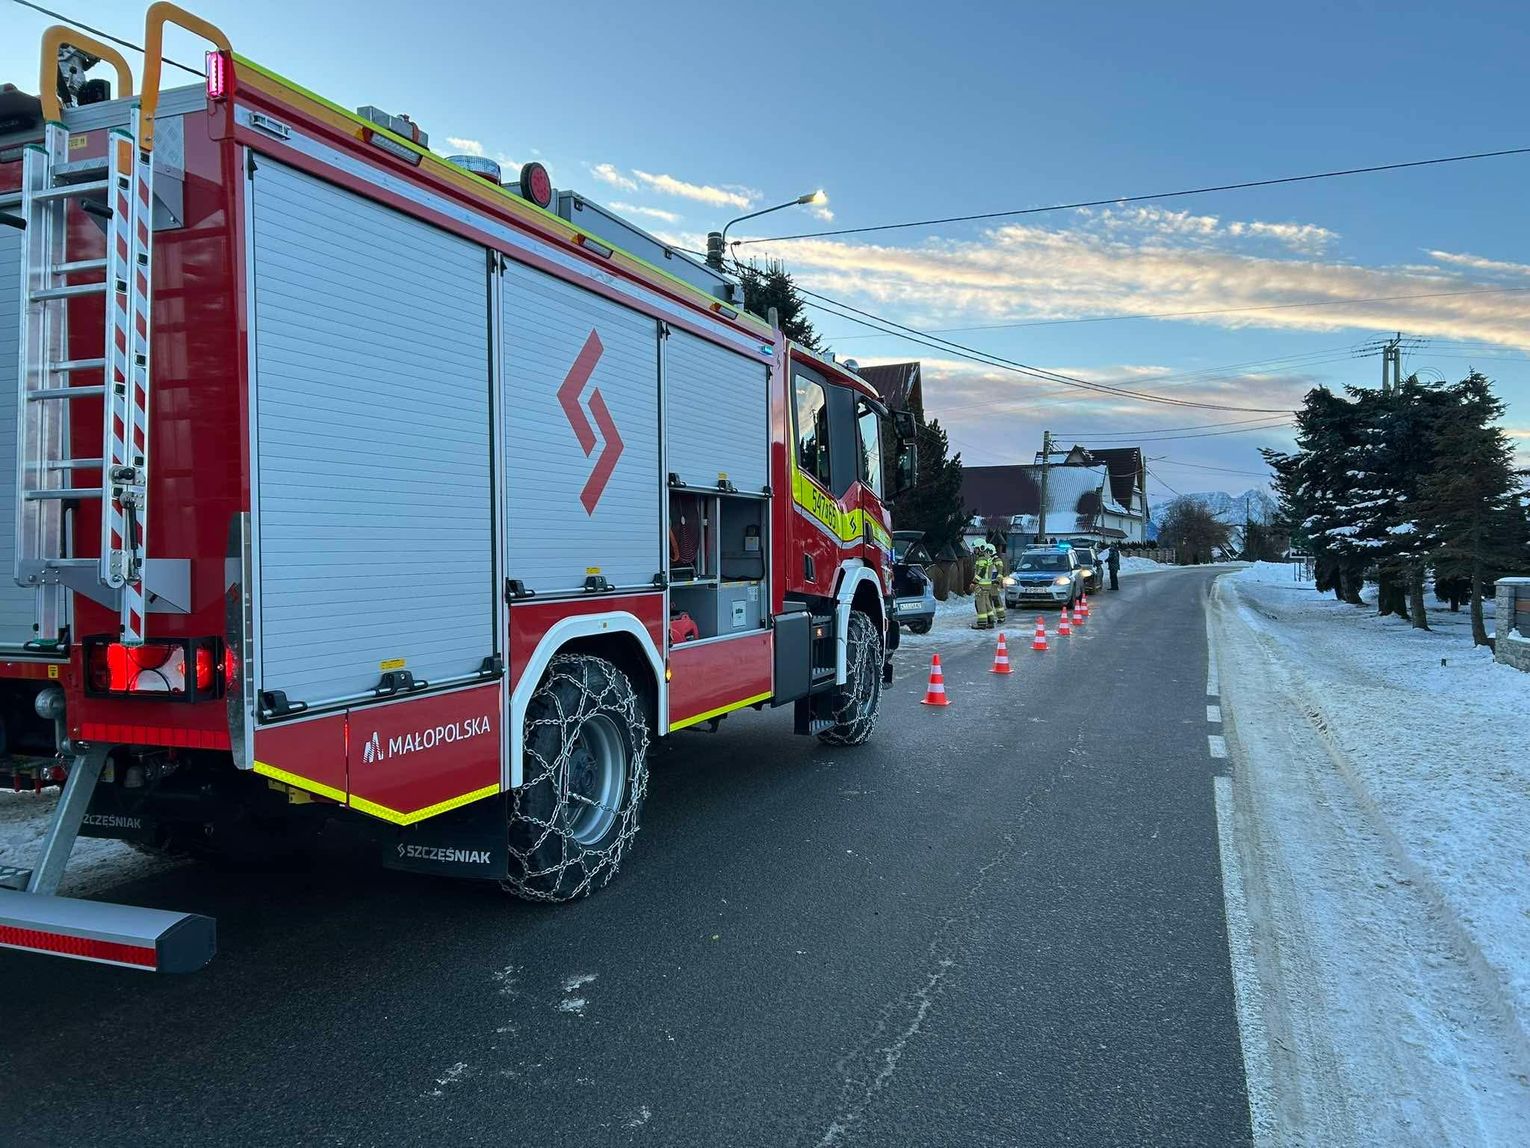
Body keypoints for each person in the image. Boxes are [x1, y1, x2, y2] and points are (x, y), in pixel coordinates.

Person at [968, 541, 1000, 630]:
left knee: (980, 604)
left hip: (981, 585)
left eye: (976, 548)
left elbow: (981, 571)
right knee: (987, 603)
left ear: (981, 548)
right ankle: (991, 621)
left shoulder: (982, 558)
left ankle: (982, 623)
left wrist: (974, 582)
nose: (974, 550)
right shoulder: (988, 557)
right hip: (987, 585)